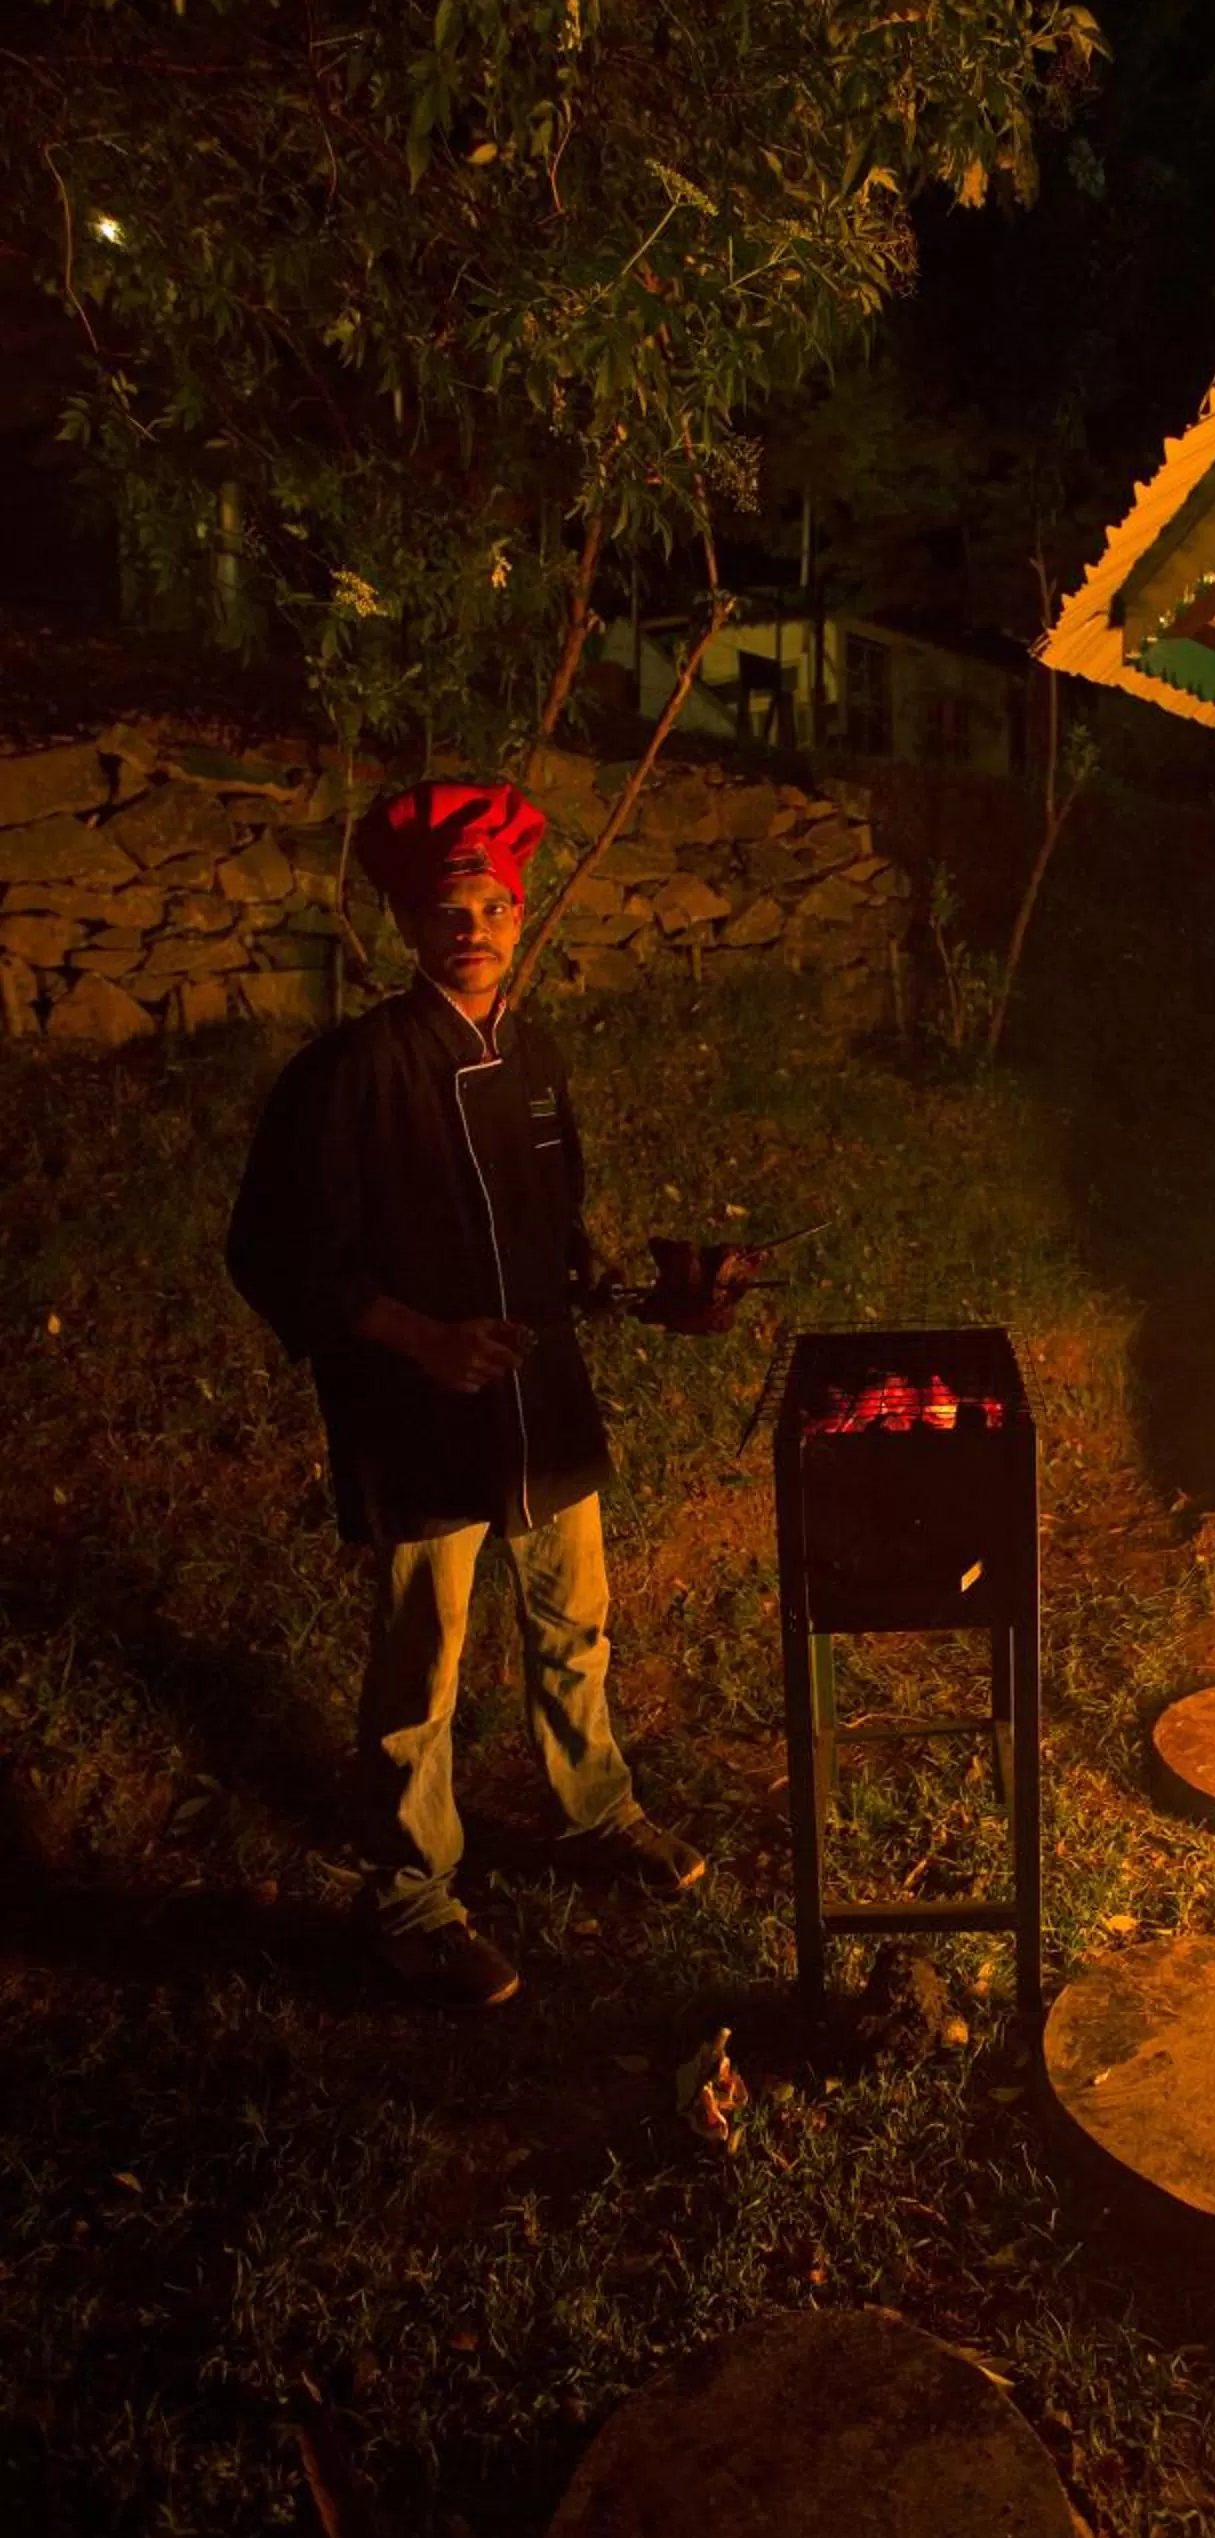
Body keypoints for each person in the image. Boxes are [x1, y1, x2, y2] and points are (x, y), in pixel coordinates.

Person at [227, 778, 718, 2006]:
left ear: (519, 916)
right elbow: (277, 1255)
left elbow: (552, 1238)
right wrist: (417, 1339)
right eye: (449, 910)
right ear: (409, 928)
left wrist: (651, 1291)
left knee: (575, 1629)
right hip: (415, 1407)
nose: (473, 929)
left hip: (539, 1400)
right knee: (420, 1668)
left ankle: (594, 1814)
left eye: (491, 906)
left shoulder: (535, 1061)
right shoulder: (349, 1073)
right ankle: (410, 1897)